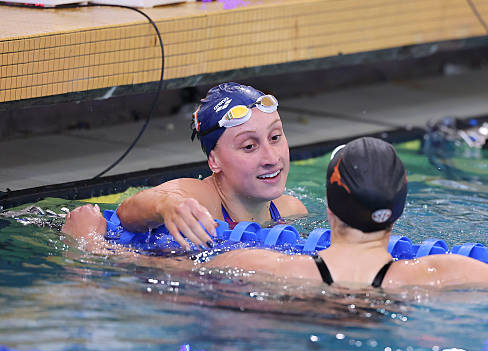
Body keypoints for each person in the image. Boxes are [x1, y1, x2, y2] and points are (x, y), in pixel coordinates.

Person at [205, 137, 488, 294]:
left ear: (330, 205)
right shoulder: (439, 273)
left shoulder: (264, 265)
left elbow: (156, 267)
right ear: (397, 210)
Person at [62, 83, 307, 248]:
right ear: (214, 160)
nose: (271, 158)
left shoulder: (291, 210)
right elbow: (129, 211)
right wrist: (167, 205)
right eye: (249, 147)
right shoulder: (198, 199)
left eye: (275, 138)